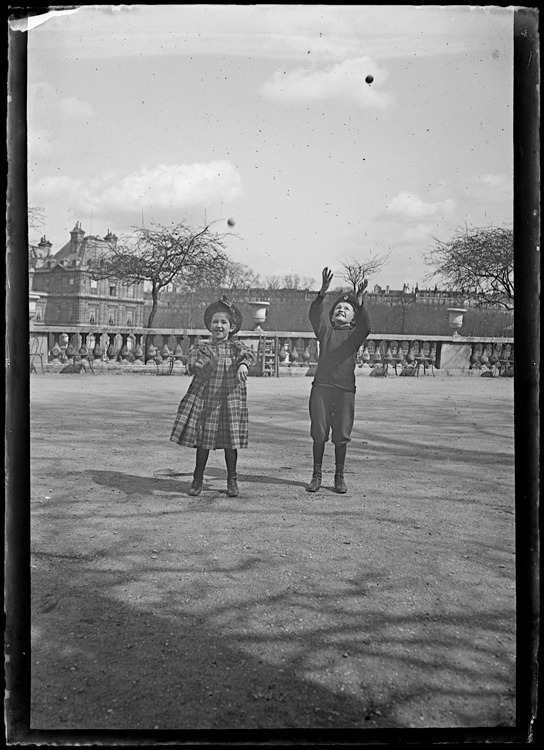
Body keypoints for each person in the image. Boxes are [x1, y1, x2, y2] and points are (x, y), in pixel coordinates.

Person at [170, 296, 256, 498]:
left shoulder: (237, 348)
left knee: (230, 443)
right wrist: (210, 362)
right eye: (215, 322)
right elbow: (194, 366)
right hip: (207, 400)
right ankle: (197, 478)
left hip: (230, 401)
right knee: (204, 442)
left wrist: (243, 364)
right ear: (209, 325)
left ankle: (232, 480)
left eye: (223, 322)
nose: (219, 326)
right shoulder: (202, 348)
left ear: (231, 327)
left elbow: (249, 354)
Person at [307, 267, 371, 494]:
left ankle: (339, 476)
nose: (341, 310)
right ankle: (316, 474)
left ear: (353, 318)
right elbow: (316, 316)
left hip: (345, 390)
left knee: (341, 435)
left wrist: (360, 302)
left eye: (347, 308)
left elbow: (367, 327)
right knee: (319, 432)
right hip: (322, 388)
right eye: (338, 308)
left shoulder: (354, 337)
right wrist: (322, 293)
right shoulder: (326, 332)